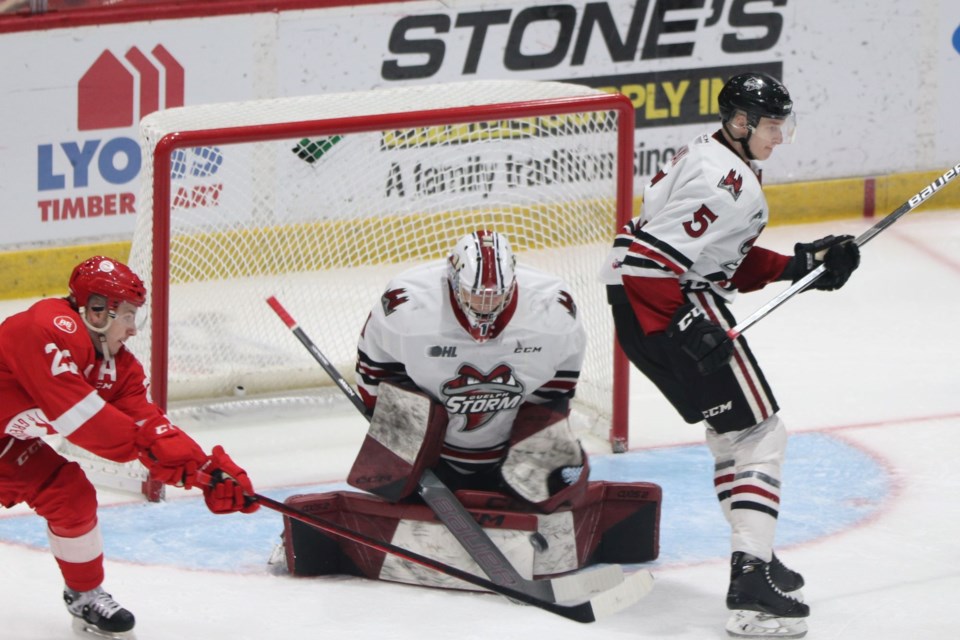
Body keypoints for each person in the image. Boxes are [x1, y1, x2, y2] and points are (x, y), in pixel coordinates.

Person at [600, 72, 860, 638]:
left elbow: (715, 258)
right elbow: (652, 260)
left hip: (638, 309)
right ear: (739, 122)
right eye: (771, 125)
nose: (780, 137)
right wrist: (683, 324)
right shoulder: (727, 182)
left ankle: (756, 558)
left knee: (731, 438)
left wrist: (799, 265)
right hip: (665, 303)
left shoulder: (708, 156)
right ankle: (751, 591)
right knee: (762, 436)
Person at [0, 256, 259, 639]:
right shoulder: (42, 329)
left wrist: (208, 471)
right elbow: (81, 422)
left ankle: (85, 597)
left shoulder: (118, 368)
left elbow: (152, 425)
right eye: (127, 315)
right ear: (97, 312)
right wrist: (147, 449)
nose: (133, 329)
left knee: (69, 493)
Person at [355, 229, 588, 507]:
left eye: (495, 296)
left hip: (508, 450)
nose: (485, 306)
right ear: (452, 279)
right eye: (475, 295)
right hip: (432, 454)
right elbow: (375, 376)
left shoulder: (551, 310)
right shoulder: (408, 305)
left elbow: (557, 391)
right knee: (393, 484)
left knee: (561, 488)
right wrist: (402, 434)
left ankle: (513, 477)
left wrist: (530, 443)